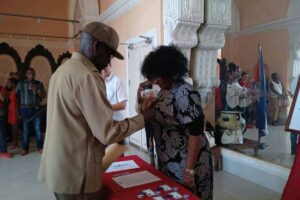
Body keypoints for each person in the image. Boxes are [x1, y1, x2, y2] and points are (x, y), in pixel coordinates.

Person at [38, 21, 150, 200]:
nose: (108, 62)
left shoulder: (63, 70)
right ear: (97, 46)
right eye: (109, 55)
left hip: (60, 168)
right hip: (77, 177)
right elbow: (107, 132)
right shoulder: (87, 76)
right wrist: (144, 118)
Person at [139, 46, 213, 200]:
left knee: (190, 195)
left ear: (169, 71)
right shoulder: (163, 91)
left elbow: (196, 131)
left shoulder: (185, 93)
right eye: (152, 76)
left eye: (156, 76)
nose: (154, 80)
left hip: (189, 161)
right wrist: (140, 100)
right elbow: (151, 115)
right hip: (169, 159)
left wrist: (189, 170)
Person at [16, 68, 46, 155]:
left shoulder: (39, 83)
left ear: (35, 74)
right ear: (26, 74)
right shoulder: (20, 84)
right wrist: (18, 110)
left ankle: (40, 147)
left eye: (33, 73)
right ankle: (25, 148)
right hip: (25, 109)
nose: (31, 75)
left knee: (38, 128)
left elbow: (44, 95)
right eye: (29, 73)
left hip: (36, 109)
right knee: (25, 129)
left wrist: (36, 90)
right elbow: (16, 97)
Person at [6, 78, 19, 148]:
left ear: (13, 84)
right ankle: (15, 142)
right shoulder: (13, 90)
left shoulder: (16, 91)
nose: (7, 84)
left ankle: (15, 143)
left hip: (14, 111)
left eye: (8, 82)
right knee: (13, 128)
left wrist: (17, 113)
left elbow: (17, 102)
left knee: (14, 128)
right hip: (12, 111)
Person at [0, 85, 12, 159]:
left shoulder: (2, 88)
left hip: (1, 113)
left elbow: (4, 100)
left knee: (2, 134)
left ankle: (3, 151)